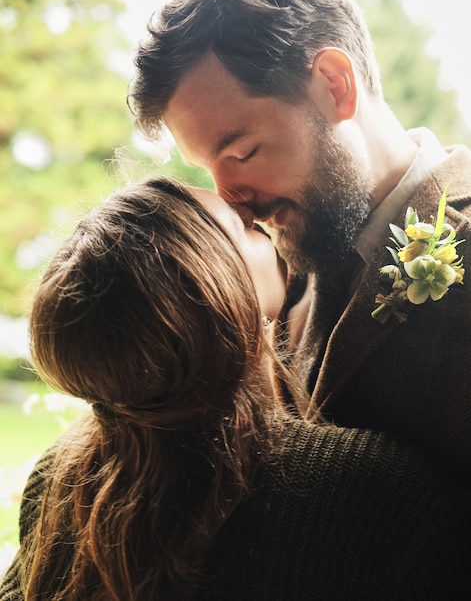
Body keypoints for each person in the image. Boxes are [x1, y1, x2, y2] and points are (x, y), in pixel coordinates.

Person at [2, 177, 471, 600]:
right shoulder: (379, 500)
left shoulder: (61, 482)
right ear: (215, 292)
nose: (254, 213)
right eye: (239, 226)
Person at [128, 0, 471, 481]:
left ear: (335, 85)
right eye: (207, 169)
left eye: (243, 152)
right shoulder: (268, 268)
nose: (231, 201)